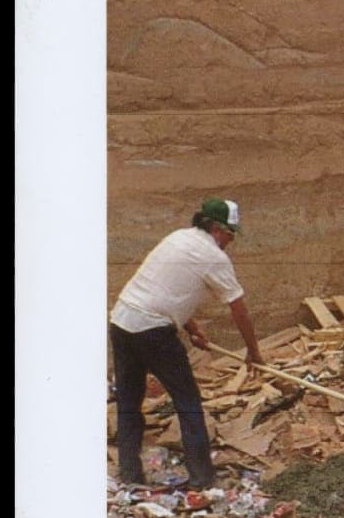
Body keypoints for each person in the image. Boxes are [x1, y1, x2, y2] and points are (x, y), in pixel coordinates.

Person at [110, 197, 264, 488]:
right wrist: (253, 352)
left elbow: (162, 287)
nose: (231, 240)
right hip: (153, 329)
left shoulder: (177, 238)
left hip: (122, 321)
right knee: (188, 402)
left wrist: (191, 327)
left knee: (129, 403)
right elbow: (238, 309)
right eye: (231, 233)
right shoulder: (214, 258)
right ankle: (202, 478)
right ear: (218, 228)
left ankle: (130, 475)